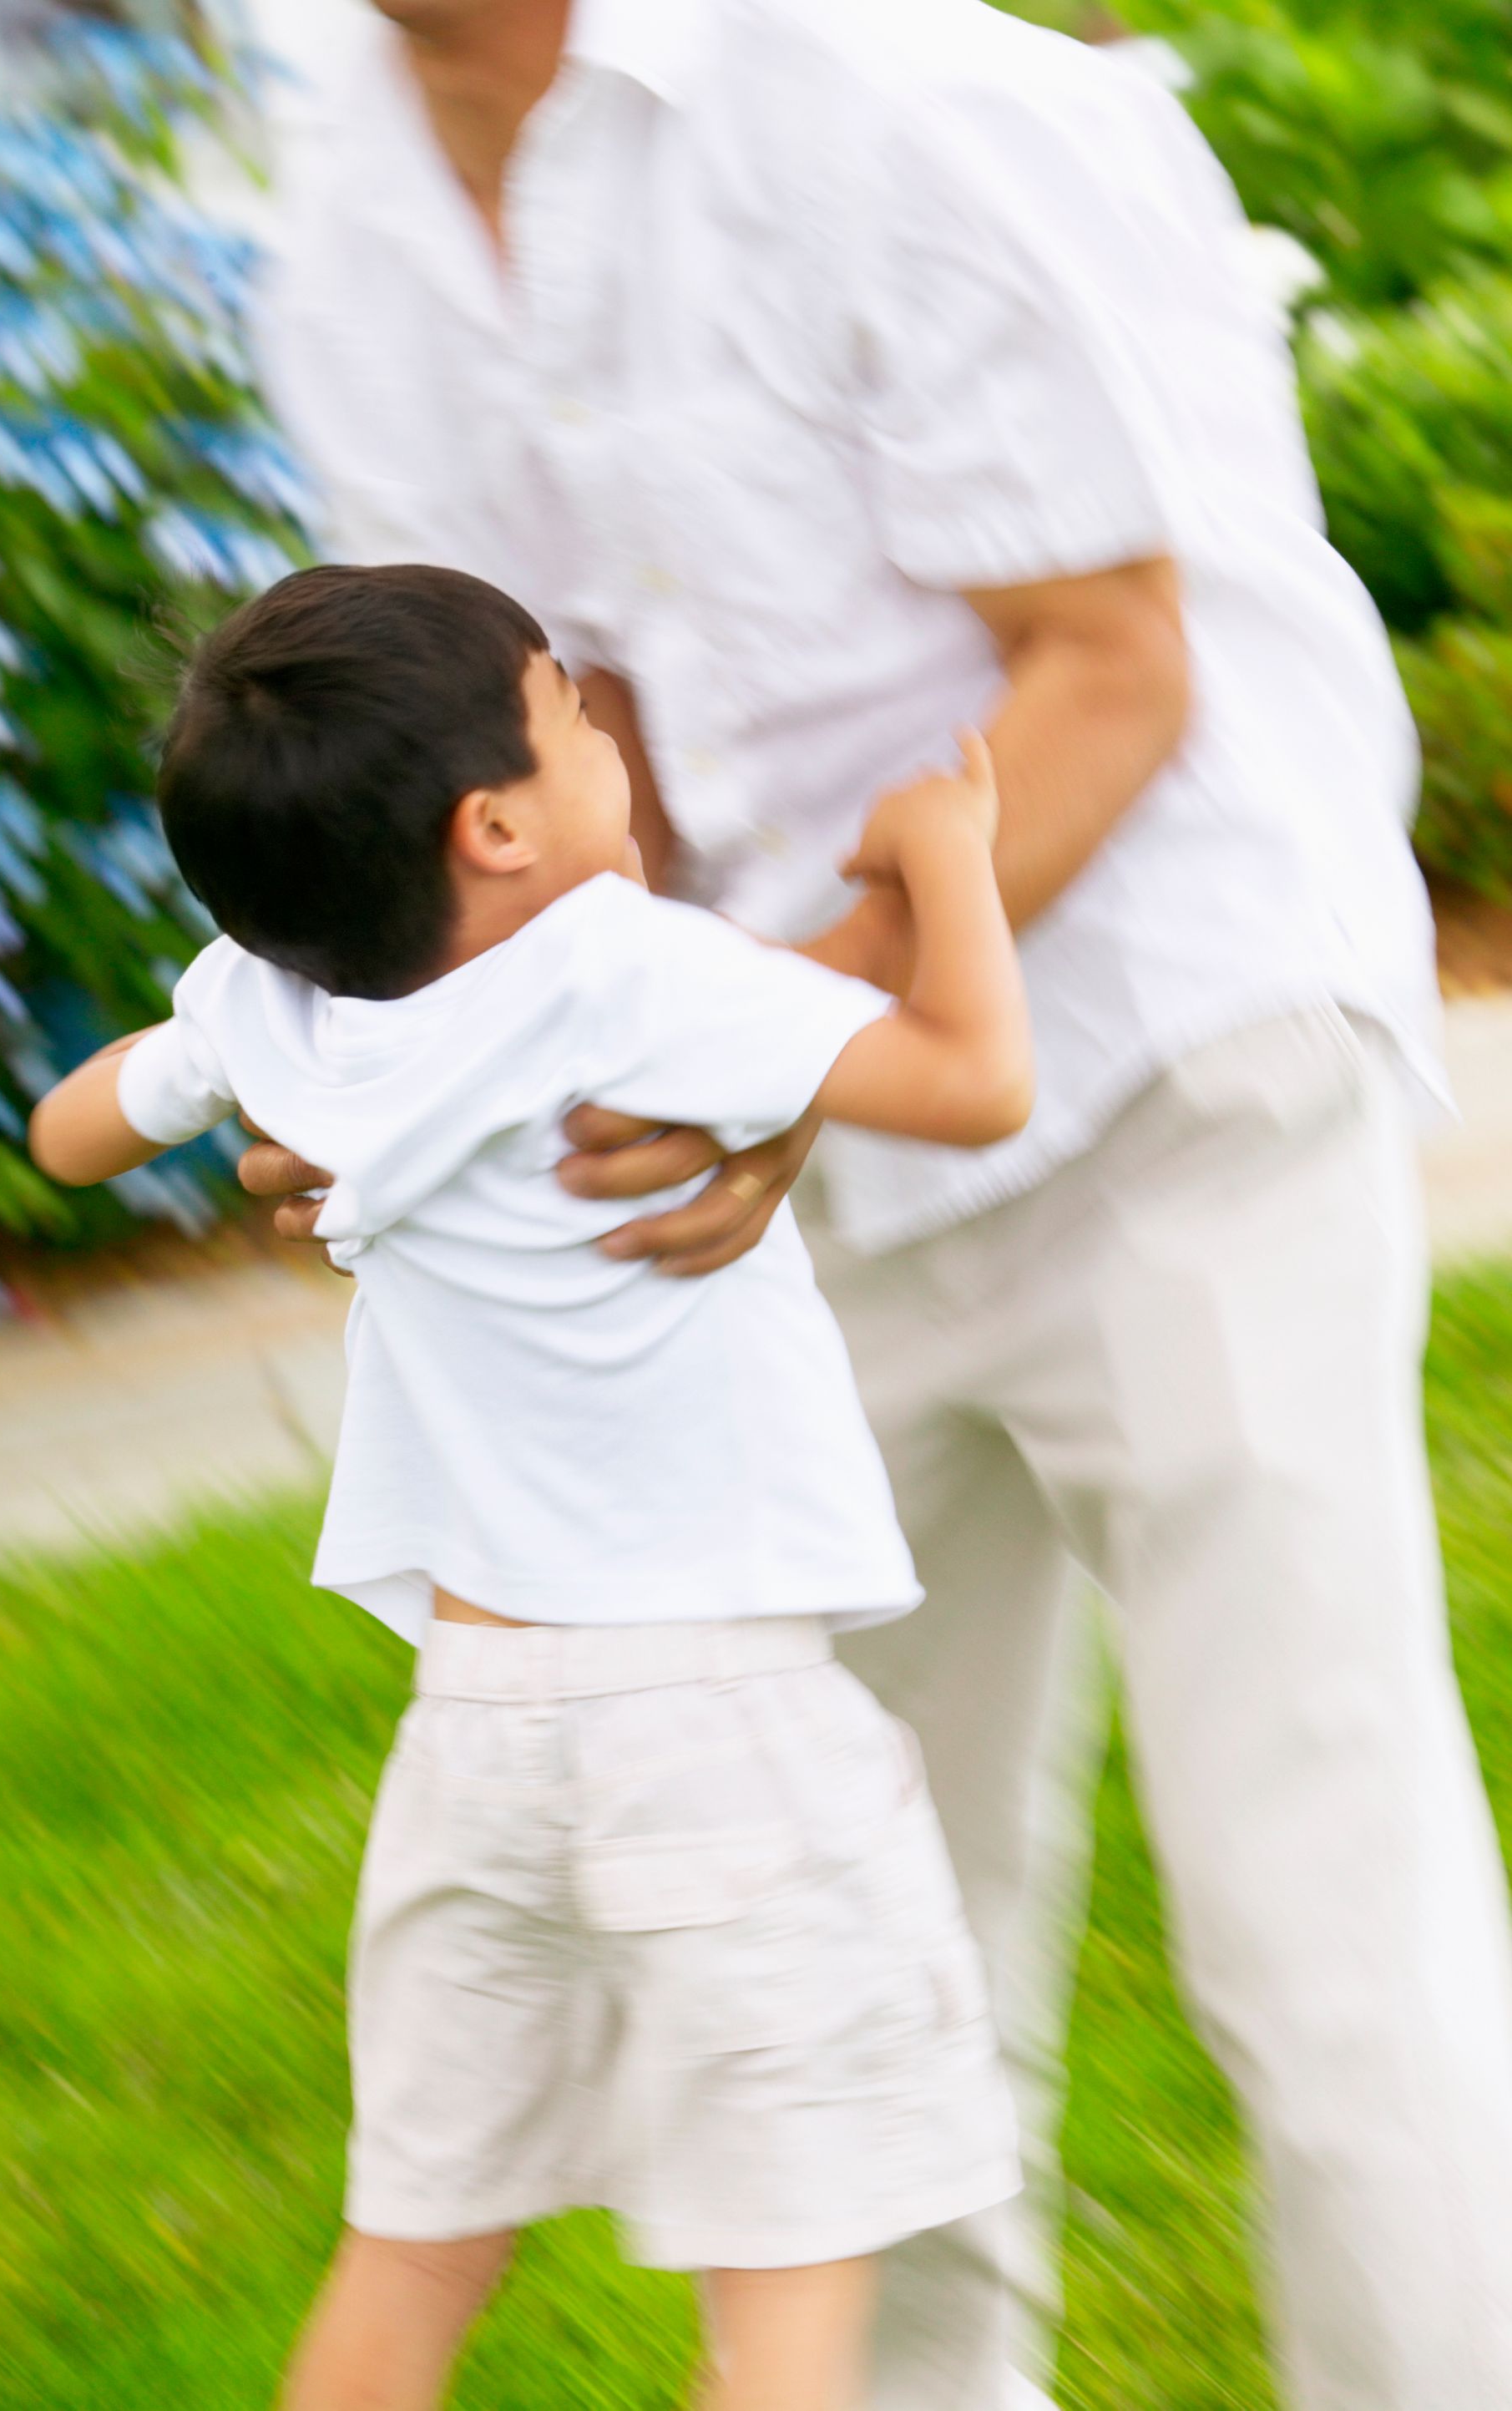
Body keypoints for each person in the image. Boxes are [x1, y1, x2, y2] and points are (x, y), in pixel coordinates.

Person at [238, 4, 1512, 2407]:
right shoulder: (352, 232)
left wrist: (760, 1047)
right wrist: (403, 1070)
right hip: (788, 1182)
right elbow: (541, 767)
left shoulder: (906, 100)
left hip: (1172, 1066)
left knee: (1317, 1912)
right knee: (849, 1952)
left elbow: (1107, 672)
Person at [28, 561, 1036, 2411]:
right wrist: (946, 853)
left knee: (418, 2245)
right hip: (724, 1729)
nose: (602, 740)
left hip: (478, 1731)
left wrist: (210, 1074)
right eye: (571, 716)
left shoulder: (271, 1003)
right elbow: (975, 1083)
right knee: (790, 2272)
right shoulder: (623, 970)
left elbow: (70, 1129)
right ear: (494, 825)